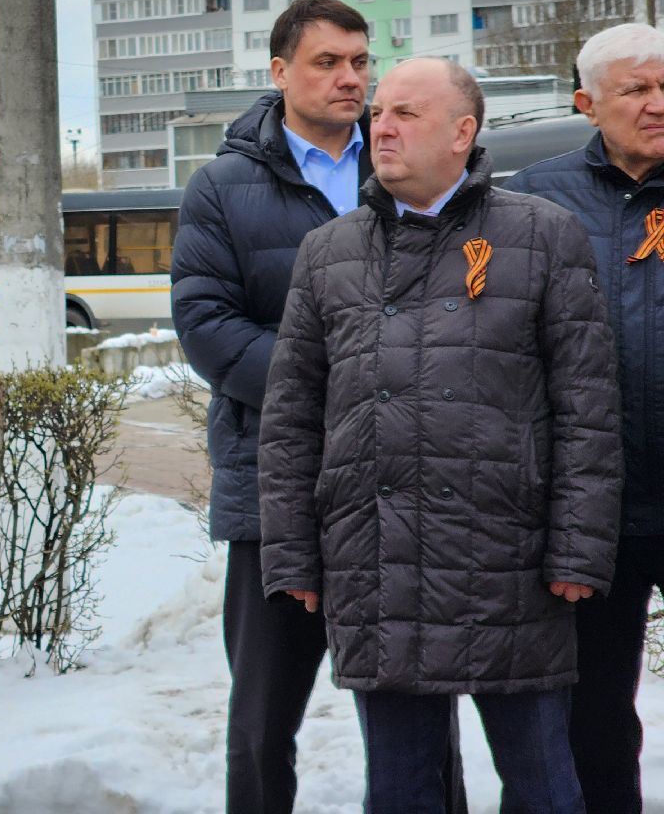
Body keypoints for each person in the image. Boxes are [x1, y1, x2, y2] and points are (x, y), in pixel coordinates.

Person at [258, 58, 622, 813]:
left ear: (464, 133)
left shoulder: (542, 236)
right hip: (376, 564)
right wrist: (293, 551)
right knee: (399, 790)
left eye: (405, 114)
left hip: (511, 567)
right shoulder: (329, 252)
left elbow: (587, 408)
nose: (380, 128)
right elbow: (292, 417)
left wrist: (578, 549)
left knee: (544, 785)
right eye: (378, 113)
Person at [172, 0, 466, 813]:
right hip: (277, 489)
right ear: (279, 73)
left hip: (411, 483)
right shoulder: (223, 187)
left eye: (360, 62)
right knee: (264, 721)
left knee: (419, 710)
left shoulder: (410, 165)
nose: (350, 79)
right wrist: (340, 385)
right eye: (327, 62)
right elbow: (206, 325)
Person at [506, 22, 664, 813]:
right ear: (587, 105)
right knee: (596, 714)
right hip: (590, 510)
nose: (658, 104)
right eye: (636, 89)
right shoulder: (534, 199)